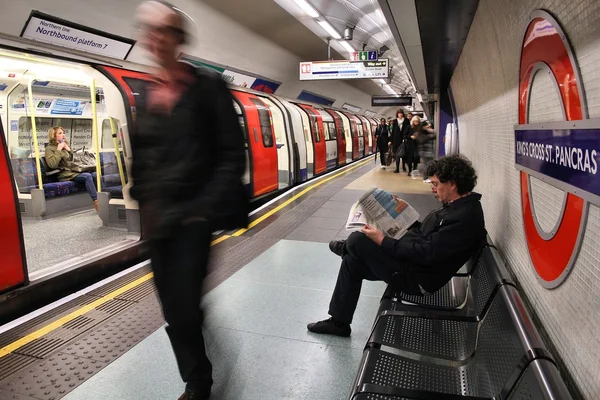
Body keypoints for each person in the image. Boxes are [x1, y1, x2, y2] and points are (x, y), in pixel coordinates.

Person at [132, 2, 249, 399]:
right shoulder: (145, 92)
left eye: (163, 30)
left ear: (179, 39)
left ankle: (198, 382)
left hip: (194, 219)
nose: (155, 38)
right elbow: (142, 155)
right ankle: (194, 345)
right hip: (159, 220)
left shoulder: (208, 87)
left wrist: (205, 208)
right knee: (174, 309)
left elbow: (233, 153)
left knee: (181, 308)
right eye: (149, 31)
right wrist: (140, 199)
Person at [307, 154, 486, 336]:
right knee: (351, 262)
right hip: (416, 266)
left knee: (357, 240)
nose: (433, 189)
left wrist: (383, 240)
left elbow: (427, 253)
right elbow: (428, 238)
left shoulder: (464, 218)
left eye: (435, 184)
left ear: (453, 184)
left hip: (418, 279)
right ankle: (339, 323)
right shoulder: (457, 207)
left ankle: (345, 247)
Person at [44, 126, 98, 211]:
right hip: (65, 174)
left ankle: (103, 198)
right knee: (87, 176)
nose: (63, 135)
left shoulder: (66, 145)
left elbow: (76, 160)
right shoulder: (49, 149)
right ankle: (96, 201)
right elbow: (52, 165)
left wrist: (69, 150)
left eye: (63, 133)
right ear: (54, 136)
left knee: (95, 174)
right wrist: (58, 149)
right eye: (60, 133)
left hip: (75, 171)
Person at [390, 109, 410, 173]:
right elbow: (393, 132)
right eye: (399, 113)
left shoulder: (406, 121)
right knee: (397, 155)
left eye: (401, 113)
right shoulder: (395, 121)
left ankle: (404, 166)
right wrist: (391, 141)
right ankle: (397, 168)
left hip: (404, 139)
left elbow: (409, 129)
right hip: (396, 140)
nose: (400, 114)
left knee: (404, 154)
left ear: (403, 114)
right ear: (397, 114)